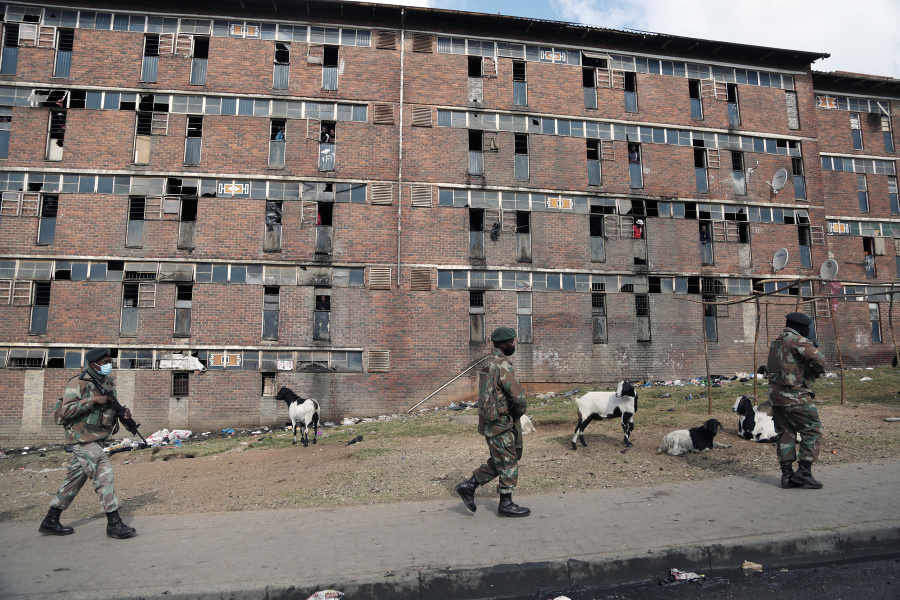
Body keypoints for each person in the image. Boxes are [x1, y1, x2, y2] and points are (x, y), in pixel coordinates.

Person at [39, 348, 137, 538]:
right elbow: (66, 411)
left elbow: (109, 406)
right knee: (103, 470)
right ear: (93, 364)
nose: (109, 365)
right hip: (81, 438)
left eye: (110, 361)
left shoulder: (107, 382)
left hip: (96, 437)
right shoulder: (78, 382)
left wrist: (122, 412)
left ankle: (51, 519)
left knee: (75, 478)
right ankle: (114, 523)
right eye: (105, 361)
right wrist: (92, 400)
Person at [455, 327, 530, 517]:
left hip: (489, 422)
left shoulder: (488, 362)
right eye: (512, 342)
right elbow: (518, 397)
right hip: (501, 422)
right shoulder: (503, 366)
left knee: (500, 460)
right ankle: (506, 503)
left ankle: (469, 486)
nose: (514, 345)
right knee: (509, 461)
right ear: (503, 344)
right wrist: (518, 415)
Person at [766, 312, 827, 490]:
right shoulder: (798, 340)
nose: (808, 331)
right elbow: (820, 360)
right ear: (801, 327)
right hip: (795, 396)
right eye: (807, 328)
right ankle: (804, 473)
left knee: (785, 433)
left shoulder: (777, 341)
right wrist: (813, 370)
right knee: (813, 430)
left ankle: (787, 476)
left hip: (776, 397)